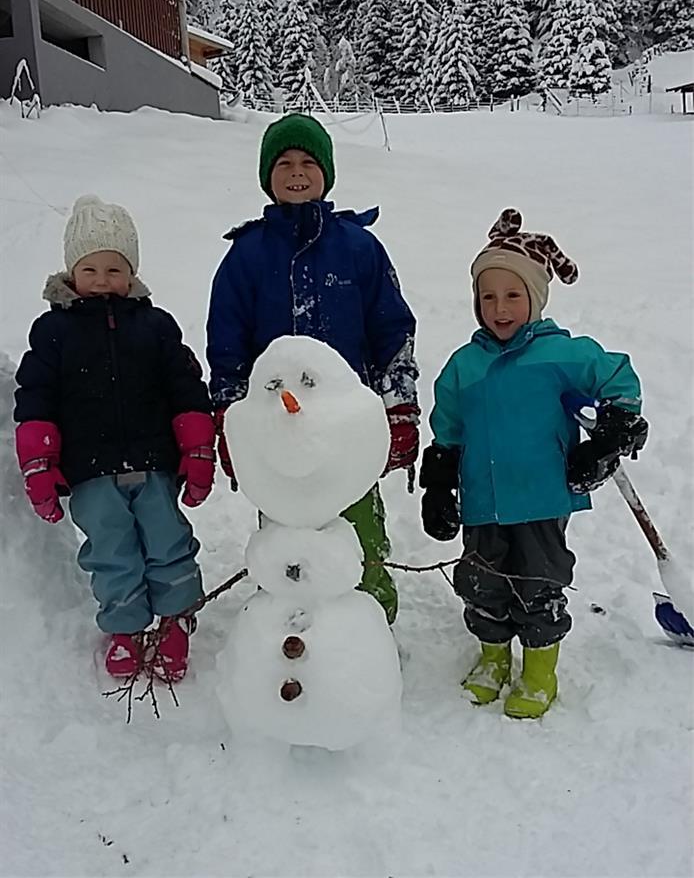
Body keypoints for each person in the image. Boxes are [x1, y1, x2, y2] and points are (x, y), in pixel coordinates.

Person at [419, 208, 647, 718]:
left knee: (537, 582)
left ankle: (539, 670)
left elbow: (619, 379)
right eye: (488, 296)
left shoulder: (561, 355)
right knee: (482, 584)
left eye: (513, 295)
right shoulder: (464, 365)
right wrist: (438, 485)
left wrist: (611, 433)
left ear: (536, 299)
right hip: (482, 502)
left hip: (541, 498)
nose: (500, 308)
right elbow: (447, 428)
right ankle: (493, 659)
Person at [206, 113, 419, 624]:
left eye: (307, 162)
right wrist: (231, 421)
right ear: (267, 175)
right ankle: (289, 627)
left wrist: (400, 406)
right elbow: (228, 345)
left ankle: (368, 623)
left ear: (326, 173)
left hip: (349, 430)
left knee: (360, 531)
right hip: (277, 429)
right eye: (284, 163)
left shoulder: (358, 247)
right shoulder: (246, 255)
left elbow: (392, 330)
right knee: (285, 535)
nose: (296, 172)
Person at [14, 196, 215, 683]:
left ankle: (173, 621)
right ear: (71, 271)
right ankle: (125, 628)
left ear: (132, 272)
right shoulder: (53, 331)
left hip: (154, 464)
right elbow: (36, 398)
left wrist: (197, 447)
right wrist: (40, 465)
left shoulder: (155, 325)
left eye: (115, 268)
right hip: (90, 473)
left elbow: (185, 387)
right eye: (91, 269)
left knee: (169, 542)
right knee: (111, 551)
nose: (103, 281)